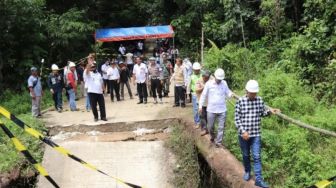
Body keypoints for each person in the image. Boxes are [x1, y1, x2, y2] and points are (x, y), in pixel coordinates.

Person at [234, 80, 280, 188]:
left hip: (256, 134)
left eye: (255, 93)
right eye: (252, 93)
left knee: (257, 156)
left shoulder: (259, 100)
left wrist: (270, 112)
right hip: (244, 135)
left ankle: (258, 179)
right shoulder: (240, 101)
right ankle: (247, 171)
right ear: (246, 91)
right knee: (246, 155)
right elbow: (237, 119)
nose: (254, 95)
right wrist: (243, 131)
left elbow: (262, 113)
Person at [199, 68, 232, 148]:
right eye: (218, 79)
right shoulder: (209, 84)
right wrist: (200, 106)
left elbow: (228, 92)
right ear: (215, 77)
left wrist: (230, 94)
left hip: (222, 109)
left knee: (221, 127)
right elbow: (203, 95)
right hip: (211, 109)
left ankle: (218, 142)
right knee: (210, 127)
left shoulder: (224, 83)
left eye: (221, 79)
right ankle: (213, 136)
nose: (219, 80)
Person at [195, 70, 211, 135]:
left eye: (207, 78)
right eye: (205, 78)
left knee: (209, 116)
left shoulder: (212, 79)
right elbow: (196, 90)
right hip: (202, 101)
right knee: (202, 116)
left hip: (210, 102)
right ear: (203, 76)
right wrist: (204, 87)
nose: (206, 79)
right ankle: (204, 129)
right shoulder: (199, 81)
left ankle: (210, 130)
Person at [189, 62, 202, 128]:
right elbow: (189, 85)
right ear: (193, 69)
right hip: (195, 94)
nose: (197, 71)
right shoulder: (191, 76)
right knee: (196, 109)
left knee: (202, 108)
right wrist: (188, 92)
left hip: (202, 94)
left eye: (198, 70)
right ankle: (197, 122)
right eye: (195, 70)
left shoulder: (202, 75)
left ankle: (202, 122)